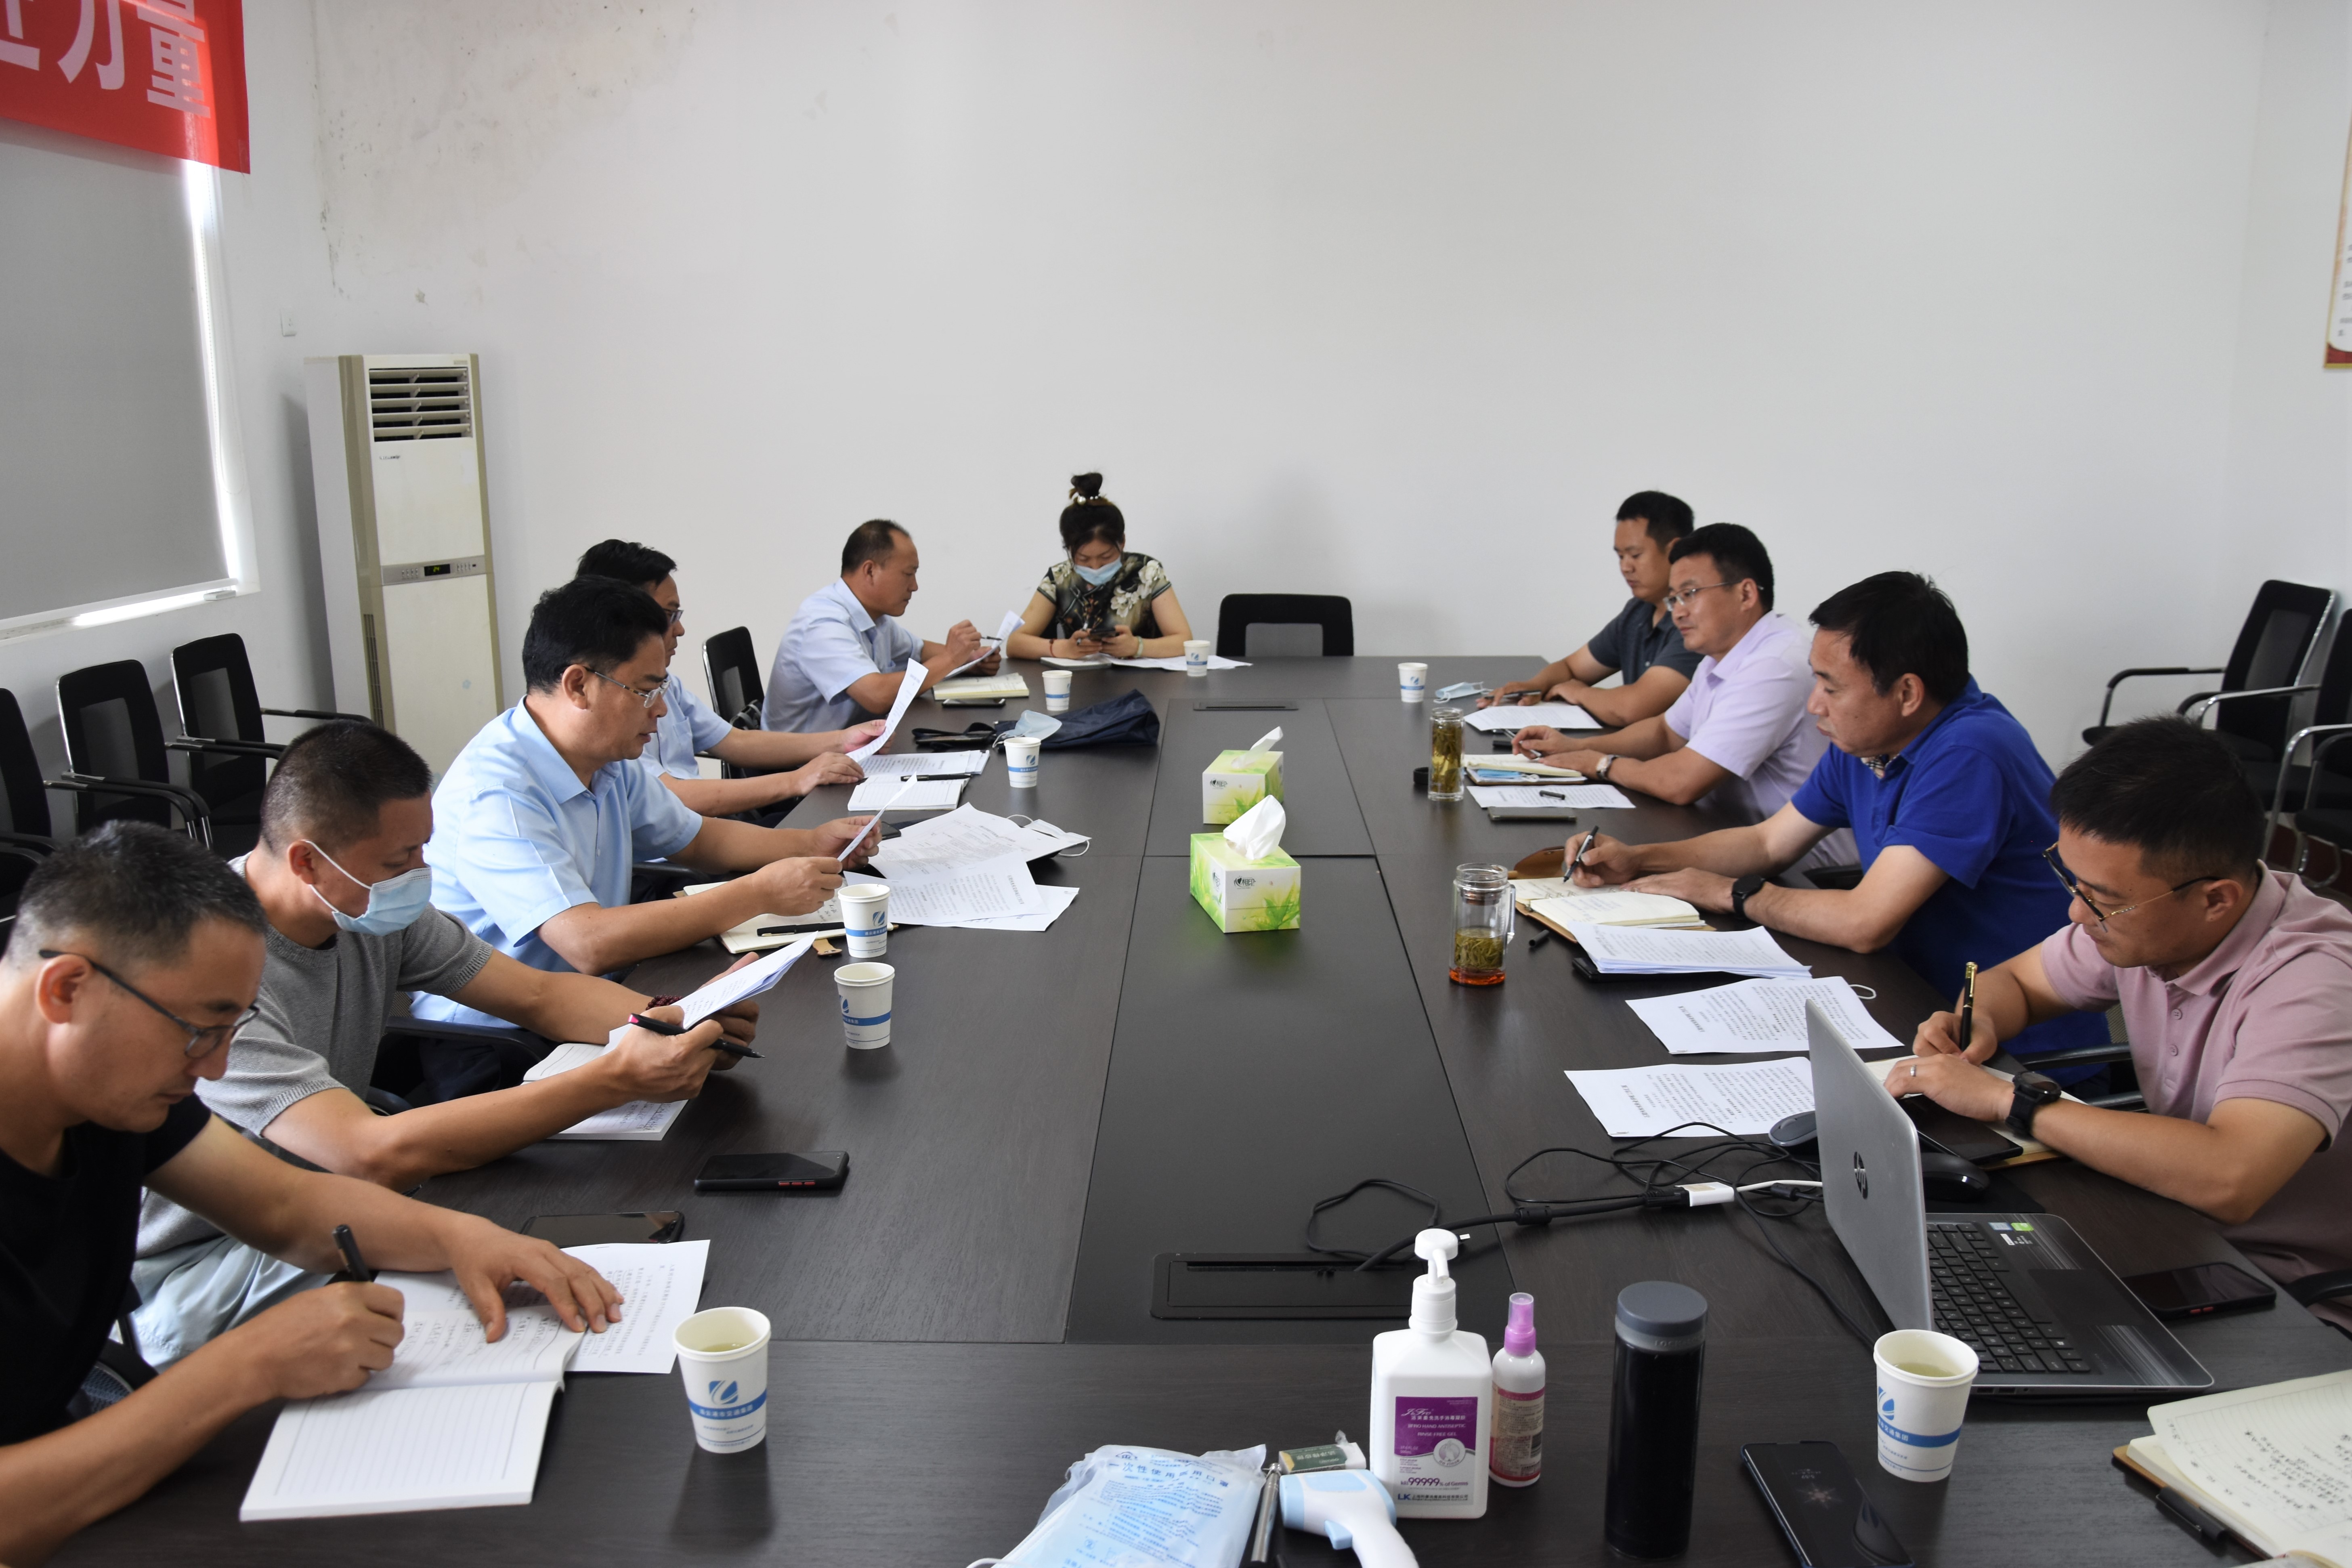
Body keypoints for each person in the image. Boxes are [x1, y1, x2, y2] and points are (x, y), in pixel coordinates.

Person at [0, 823, 625, 1563]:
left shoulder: (105, 1090)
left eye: (231, 1028)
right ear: (67, 989)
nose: (215, 1067)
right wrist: (245, 1366)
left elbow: (285, 1204)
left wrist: (466, 1237)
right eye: (200, 1031)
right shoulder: (114, 1083)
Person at [130, 720, 759, 1366]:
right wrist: (612, 1079)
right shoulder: (214, 975)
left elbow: (539, 994)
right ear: (308, 861)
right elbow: (368, 1152)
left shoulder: (368, 908)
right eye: (398, 860)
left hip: (327, 1204)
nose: (420, 873)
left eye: (422, 850)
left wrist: (672, 1018)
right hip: (208, 1267)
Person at [1894, 718, 2352, 1329]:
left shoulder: (2315, 980)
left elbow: (2230, 1176)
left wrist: (2011, 1100)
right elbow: (2017, 983)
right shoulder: (2151, 925)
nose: (2076, 912)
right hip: (2167, 1220)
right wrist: (1972, 1022)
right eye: (2072, 880)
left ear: (2215, 899)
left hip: (2282, 1290)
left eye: (2103, 899)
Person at [1567, 572, 2103, 1064]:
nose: (1814, 706)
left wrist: (1729, 892)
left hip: (2012, 1053)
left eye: (1831, 687)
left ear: (1907, 692)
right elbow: (1768, 843)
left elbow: (1864, 922)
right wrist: (1639, 859)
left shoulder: (1970, 751)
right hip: (1912, 1002)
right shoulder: (1871, 739)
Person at [421, 575, 874, 1023]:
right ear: (578, 686)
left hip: (597, 995)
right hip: (502, 1037)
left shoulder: (605, 758)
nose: (660, 709)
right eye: (645, 691)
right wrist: (759, 892)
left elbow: (698, 839)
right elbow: (587, 943)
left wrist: (811, 842)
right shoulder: (498, 794)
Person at [1511, 523, 1830, 822]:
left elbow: (1681, 782)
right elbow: (1665, 733)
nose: (1677, 612)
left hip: (1794, 860)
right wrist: (1576, 748)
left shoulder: (1774, 666)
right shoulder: (1721, 656)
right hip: (1730, 832)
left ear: (1745, 594)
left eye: (1690, 594)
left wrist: (1600, 764)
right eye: (1674, 598)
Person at [573, 539, 881, 820]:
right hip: (687, 842)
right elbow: (670, 798)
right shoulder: (606, 714)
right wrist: (797, 780)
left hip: (705, 831)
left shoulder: (668, 684)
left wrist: (842, 740)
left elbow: (735, 741)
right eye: (669, 616)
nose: (680, 630)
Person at [1478, 490, 1701, 727]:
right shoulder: (1638, 611)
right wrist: (1535, 686)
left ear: (1674, 550)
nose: (1626, 567)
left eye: (1635, 555)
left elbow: (1632, 708)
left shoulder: (1693, 621)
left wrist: (1581, 693)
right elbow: (1571, 668)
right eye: (1621, 556)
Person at [762, 519, 1001, 733]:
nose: (915, 586)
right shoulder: (823, 623)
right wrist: (950, 658)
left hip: (850, 749)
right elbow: (876, 696)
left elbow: (919, 652)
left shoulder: (876, 618)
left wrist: (971, 660)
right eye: (908, 574)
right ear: (870, 571)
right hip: (801, 763)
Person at [1005, 472, 1196, 660]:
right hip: (1081, 678)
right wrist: (1063, 648)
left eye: (1106, 557)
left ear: (1122, 542)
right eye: (1084, 559)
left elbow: (1184, 640)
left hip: (1143, 678)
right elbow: (1015, 643)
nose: (1095, 567)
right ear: (1069, 550)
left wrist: (1137, 647)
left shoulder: (1147, 572)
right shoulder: (1061, 578)